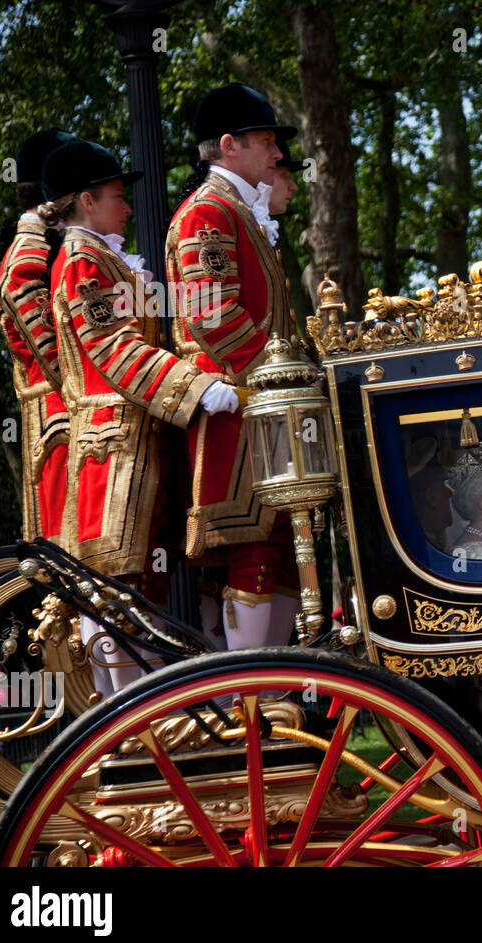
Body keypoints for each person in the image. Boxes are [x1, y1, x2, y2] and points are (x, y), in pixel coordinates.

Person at [40, 139, 230, 694]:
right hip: (112, 449)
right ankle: (123, 715)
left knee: (141, 584)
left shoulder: (102, 256)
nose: (127, 208)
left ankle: (141, 712)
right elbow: (111, 348)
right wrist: (195, 387)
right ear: (86, 199)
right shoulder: (82, 261)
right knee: (115, 585)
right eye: (117, 197)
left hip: (139, 440)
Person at [166, 83, 302, 650]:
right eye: (266, 141)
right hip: (241, 409)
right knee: (254, 549)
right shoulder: (208, 211)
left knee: (282, 544)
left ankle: (272, 698)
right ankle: (252, 694)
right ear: (228, 146)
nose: (276, 155)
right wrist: (280, 378)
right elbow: (209, 312)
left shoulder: (235, 211)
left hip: (263, 407)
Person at [0, 128, 76, 545]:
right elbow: (19, 295)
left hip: (68, 412)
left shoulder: (49, 240)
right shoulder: (33, 244)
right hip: (60, 416)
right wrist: (83, 379)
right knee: (75, 555)